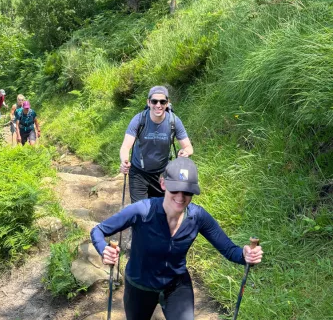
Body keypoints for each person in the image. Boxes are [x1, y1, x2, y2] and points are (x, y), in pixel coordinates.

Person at [91, 157, 263, 320]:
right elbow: (98, 230)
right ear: (163, 184)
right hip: (139, 286)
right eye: (175, 189)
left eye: (187, 191)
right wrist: (103, 249)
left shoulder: (198, 216)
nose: (181, 197)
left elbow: (230, 250)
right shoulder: (142, 211)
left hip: (176, 285)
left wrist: (245, 255)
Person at [119, 86, 193, 203]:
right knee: (140, 211)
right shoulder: (139, 120)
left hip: (162, 174)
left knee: (160, 211)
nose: (158, 105)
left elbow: (188, 147)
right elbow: (125, 147)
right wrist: (124, 161)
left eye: (162, 102)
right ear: (148, 102)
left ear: (167, 103)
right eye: (154, 101)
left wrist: (186, 152)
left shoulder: (173, 121)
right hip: (138, 173)